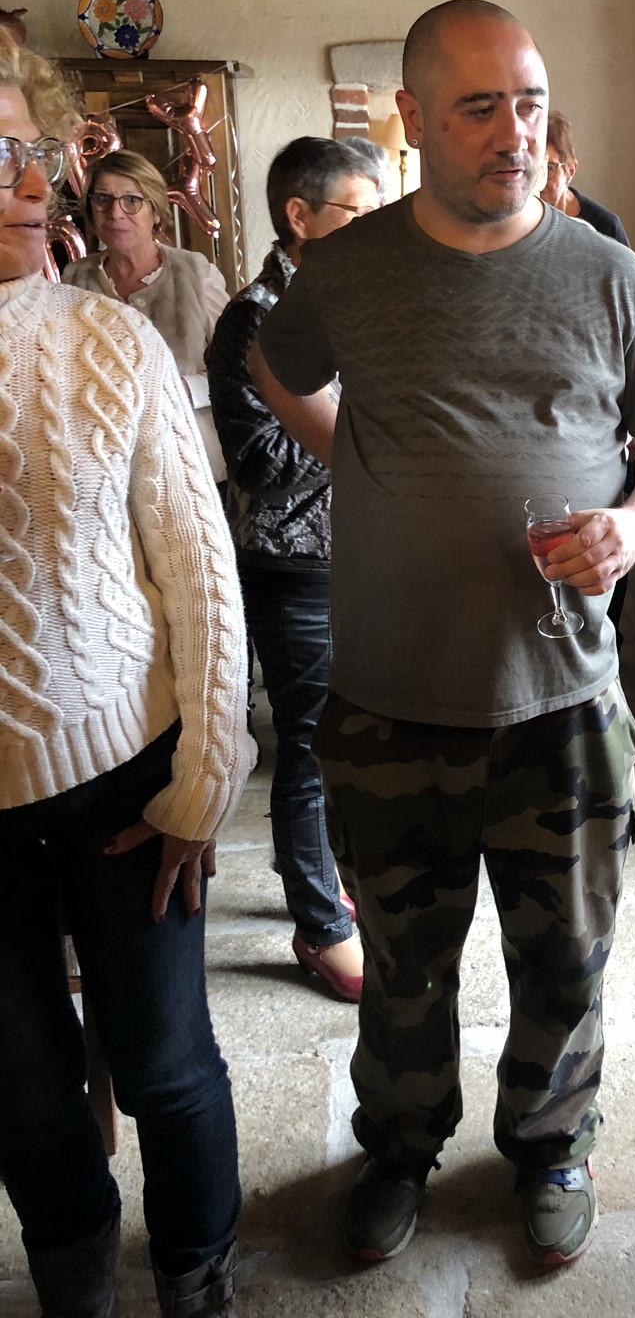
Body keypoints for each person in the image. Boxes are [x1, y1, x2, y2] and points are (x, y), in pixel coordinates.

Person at [250, 0, 635, 1269]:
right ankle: (400, 1144)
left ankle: (551, 1143)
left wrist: (634, 524)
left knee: (565, 956)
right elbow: (275, 363)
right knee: (405, 965)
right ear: (412, 117)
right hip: (391, 704)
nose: (517, 133)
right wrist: (354, 459)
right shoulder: (346, 268)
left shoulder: (611, 275)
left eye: (530, 103)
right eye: (479, 107)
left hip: (563, 701)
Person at [0, 30, 253, 1315]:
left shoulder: (109, 339)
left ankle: (198, 1269)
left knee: (163, 1062)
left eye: (28, 148)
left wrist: (205, 781)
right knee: (21, 1086)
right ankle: (77, 1277)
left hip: (125, 776)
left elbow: (198, 574)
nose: (25, 178)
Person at [207, 137, 382, 1003]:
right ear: (300, 216)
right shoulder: (255, 319)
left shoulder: (369, 300)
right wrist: (368, 426)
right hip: (294, 563)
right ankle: (319, 926)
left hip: (374, 552)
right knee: (309, 747)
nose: (379, 227)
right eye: (360, 211)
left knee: (359, 738)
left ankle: (331, 881)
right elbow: (261, 464)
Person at [62, 148, 229, 480]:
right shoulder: (75, 279)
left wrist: (182, 389)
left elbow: (238, 370)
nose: (116, 213)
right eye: (103, 200)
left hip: (193, 460)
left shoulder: (196, 272)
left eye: (132, 200)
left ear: (155, 211)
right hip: (108, 464)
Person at [539, 109, 631, 245]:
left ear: (570, 171)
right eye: (532, 168)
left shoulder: (606, 227)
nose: (538, 180)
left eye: (549, 168)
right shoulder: (516, 224)